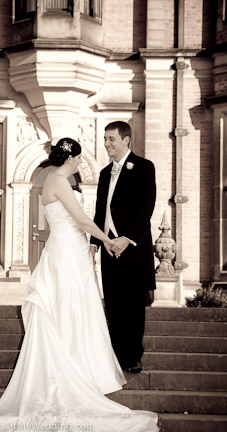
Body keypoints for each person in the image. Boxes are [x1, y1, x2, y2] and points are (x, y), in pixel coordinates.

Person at [0, 137, 158, 432]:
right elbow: (83, 219)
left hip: (70, 250)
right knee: (70, 306)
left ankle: (81, 364)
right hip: (67, 254)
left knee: (75, 307)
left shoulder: (53, 180)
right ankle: (74, 368)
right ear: (71, 159)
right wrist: (109, 241)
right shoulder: (58, 181)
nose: (76, 167)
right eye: (76, 161)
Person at [90, 121, 156, 374]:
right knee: (114, 304)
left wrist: (127, 238)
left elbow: (146, 207)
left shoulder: (143, 167)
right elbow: (100, 211)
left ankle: (132, 356)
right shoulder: (105, 173)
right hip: (108, 248)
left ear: (126, 140)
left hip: (133, 247)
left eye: (111, 139)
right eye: (105, 139)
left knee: (133, 304)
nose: (106, 144)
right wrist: (96, 243)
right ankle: (115, 355)